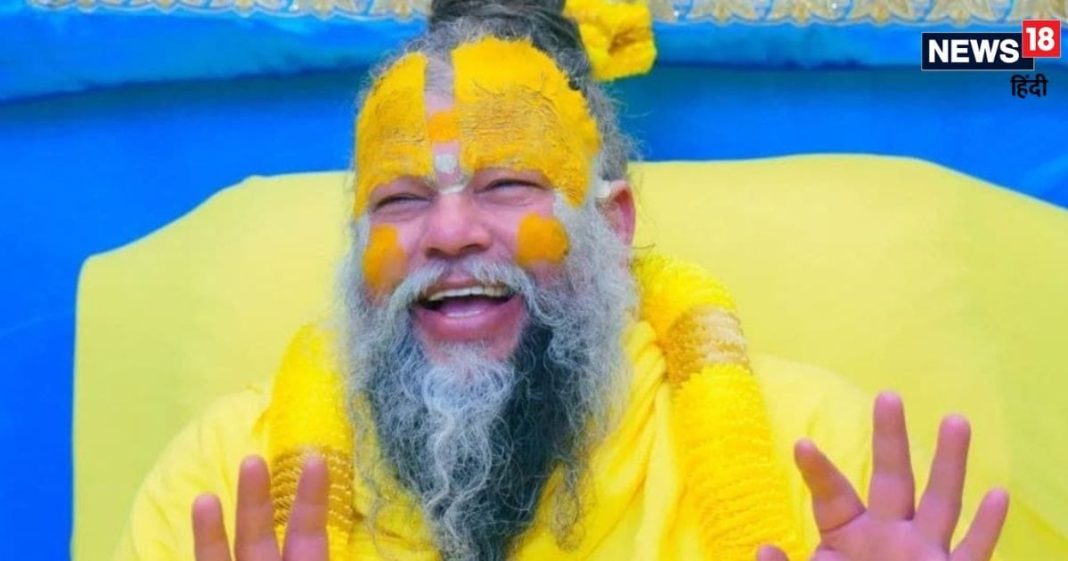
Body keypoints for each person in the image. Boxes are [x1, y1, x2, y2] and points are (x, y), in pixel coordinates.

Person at [114, 1, 1008, 560]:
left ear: (612, 226)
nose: (450, 233)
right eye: (403, 198)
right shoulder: (220, 487)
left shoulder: (825, 462)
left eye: (507, 185)